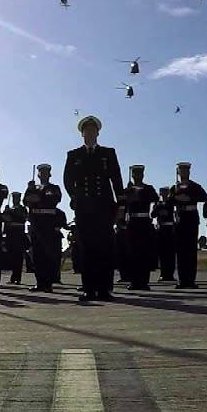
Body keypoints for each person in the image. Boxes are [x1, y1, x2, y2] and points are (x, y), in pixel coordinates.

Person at [63, 115, 124, 301]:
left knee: (105, 247)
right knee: (87, 247)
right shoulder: (74, 155)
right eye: (86, 130)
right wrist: (74, 197)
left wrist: (121, 204)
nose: (89, 133)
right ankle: (89, 288)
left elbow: (116, 179)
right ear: (82, 134)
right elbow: (68, 180)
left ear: (98, 133)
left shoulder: (108, 153)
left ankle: (104, 289)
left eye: (92, 130)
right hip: (84, 207)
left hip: (104, 205)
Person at [168, 161, 207, 290]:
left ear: (189, 172)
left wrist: (189, 197)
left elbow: (204, 197)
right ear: (178, 172)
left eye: (185, 170)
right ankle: (182, 280)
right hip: (180, 218)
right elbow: (168, 202)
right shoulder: (174, 188)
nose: (183, 172)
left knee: (191, 250)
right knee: (180, 251)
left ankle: (190, 280)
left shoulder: (194, 186)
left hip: (191, 218)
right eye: (181, 170)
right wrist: (176, 197)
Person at [23, 163, 62, 292]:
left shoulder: (54, 188)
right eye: (41, 173)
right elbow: (26, 201)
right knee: (37, 253)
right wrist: (30, 190)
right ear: (38, 175)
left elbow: (54, 200)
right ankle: (40, 282)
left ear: (49, 174)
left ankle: (48, 283)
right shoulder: (33, 188)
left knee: (48, 253)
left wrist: (37, 198)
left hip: (48, 221)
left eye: (45, 172)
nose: (43, 175)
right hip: (36, 222)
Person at [122, 164, 159, 291]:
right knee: (133, 253)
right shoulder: (128, 190)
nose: (137, 176)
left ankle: (144, 282)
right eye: (135, 174)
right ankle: (134, 281)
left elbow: (155, 198)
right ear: (132, 176)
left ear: (142, 175)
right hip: (132, 222)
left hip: (144, 221)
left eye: (139, 174)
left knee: (144, 252)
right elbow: (122, 203)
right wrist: (128, 194)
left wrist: (139, 196)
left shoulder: (148, 188)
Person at [3, 191, 29, 285]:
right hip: (10, 234)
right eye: (14, 198)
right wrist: (6, 212)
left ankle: (17, 277)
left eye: (17, 198)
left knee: (18, 256)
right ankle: (13, 276)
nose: (15, 200)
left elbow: (23, 218)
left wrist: (11, 214)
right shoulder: (10, 209)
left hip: (18, 234)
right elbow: (5, 220)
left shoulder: (22, 209)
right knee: (11, 256)